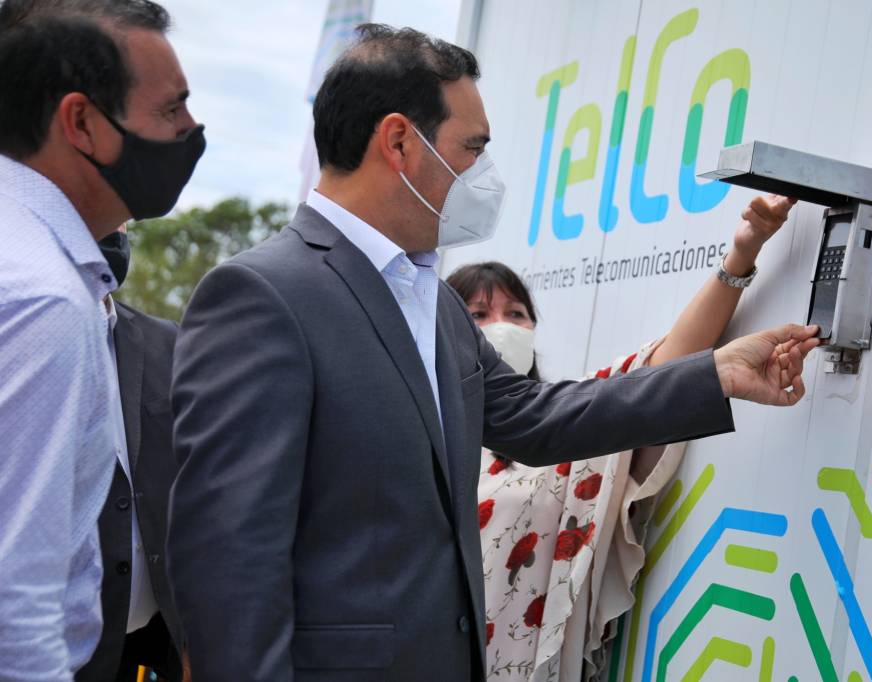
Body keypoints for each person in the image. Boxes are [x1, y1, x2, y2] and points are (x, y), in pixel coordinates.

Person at [166, 24, 817, 681]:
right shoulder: (263, 296)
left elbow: (535, 418)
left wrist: (715, 374)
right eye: (471, 149)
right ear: (399, 142)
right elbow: (228, 567)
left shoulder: (431, 301)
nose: (483, 174)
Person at [448, 195, 796, 681]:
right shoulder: (421, 436)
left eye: (516, 313)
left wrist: (742, 253)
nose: (501, 327)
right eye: (478, 315)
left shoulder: (556, 429)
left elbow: (656, 378)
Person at [0, 1, 203, 678]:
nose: (190, 129)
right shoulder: (44, 299)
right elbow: (15, 601)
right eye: (171, 108)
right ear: (82, 122)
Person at [75, 226, 184, 682]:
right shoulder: (20, 340)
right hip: (55, 654)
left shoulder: (168, 343)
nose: (113, 230)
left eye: (122, 221)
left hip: (152, 649)